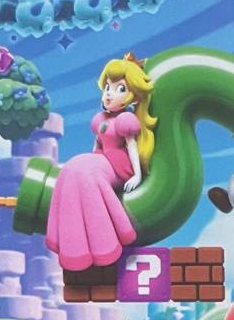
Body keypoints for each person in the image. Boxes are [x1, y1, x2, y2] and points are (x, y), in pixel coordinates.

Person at [45, 53, 156, 272]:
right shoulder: (101, 120)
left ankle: (105, 245)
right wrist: (89, 158)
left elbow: (132, 147)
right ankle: (73, 248)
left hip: (117, 166)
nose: (110, 94)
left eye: (120, 89)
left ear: (133, 98)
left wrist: (137, 174)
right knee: (73, 167)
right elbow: (97, 144)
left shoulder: (125, 120)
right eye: (108, 87)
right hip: (100, 160)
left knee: (86, 175)